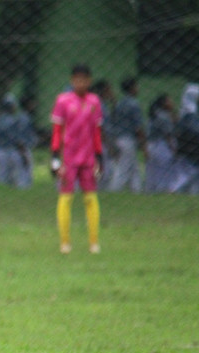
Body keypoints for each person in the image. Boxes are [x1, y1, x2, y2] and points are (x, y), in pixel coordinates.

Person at [50, 64, 104, 255]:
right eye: (77, 79)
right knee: (66, 197)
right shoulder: (63, 101)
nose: (80, 83)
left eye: (84, 80)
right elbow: (57, 132)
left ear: (89, 81)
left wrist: (99, 156)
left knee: (90, 197)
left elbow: (96, 132)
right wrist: (54, 158)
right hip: (68, 158)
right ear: (72, 80)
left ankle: (94, 242)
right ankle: (65, 243)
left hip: (88, 157)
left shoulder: (94, 102)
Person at [104, 78, 146, 192]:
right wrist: (144, 144)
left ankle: (137, 191)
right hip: (128, 139)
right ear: (132, 88)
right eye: (136, 86)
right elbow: (138, 127)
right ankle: (113, 191)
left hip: (118, 138)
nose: (138, 89)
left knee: (134, 168)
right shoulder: (134, 104)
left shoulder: (119, 104)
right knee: (123, 169)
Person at [0, 94, 33, 189]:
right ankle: (22, 188)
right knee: (13, 173)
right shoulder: (11, 120)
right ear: (11, 107)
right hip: (8, 151)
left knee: (2, 174)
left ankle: (2, 190)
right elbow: (15, 139)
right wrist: (23, 153)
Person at [144, 93, 177, 194]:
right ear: (163, 103)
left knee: (153, 172)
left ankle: (151, 191)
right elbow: (168, 135)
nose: (172, 103)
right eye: (169, 101)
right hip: (161, 146)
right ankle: (163, 191)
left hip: (151, 145)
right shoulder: (163, 116)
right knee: (164, 170)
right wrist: (173, 149)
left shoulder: (155, 114)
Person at [171, 84, 199, 195]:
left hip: (186, 149)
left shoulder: (185, 113)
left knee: (189, 176)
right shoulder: (189, 115)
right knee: (188, 175)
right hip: (189, 150)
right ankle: (173, 191)